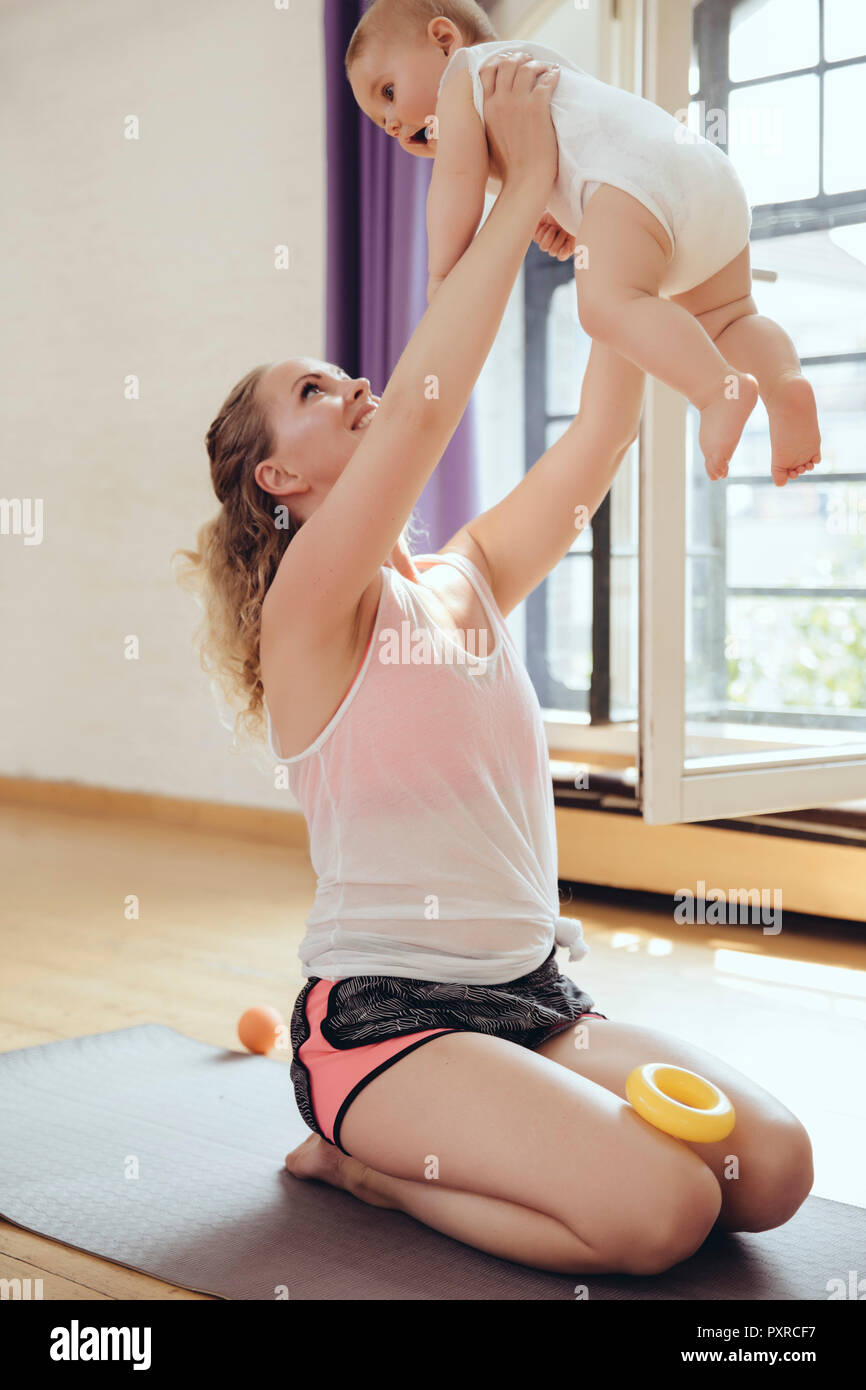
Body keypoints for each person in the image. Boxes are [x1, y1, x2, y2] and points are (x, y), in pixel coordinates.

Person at [177, 55, 812, 1276]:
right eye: (314, 391)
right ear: (278, 481)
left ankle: (506, 1115)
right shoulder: (308, 611)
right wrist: (514, 189)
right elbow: (419, 410)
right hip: (385, 1025)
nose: (352, 382)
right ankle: (370, 1167)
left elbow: (600, 431)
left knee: (766, 1168)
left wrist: (624, 236)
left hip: (536, 1000)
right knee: (660, 1210)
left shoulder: (465, 574)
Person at [346, 0, 822, 486]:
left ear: (445, 40)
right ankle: (785, 386)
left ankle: (716, 390)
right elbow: (580, 151)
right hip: (707, 178)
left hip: (639, 182)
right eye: (381, 122)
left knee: (606, 307)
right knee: (732, 317)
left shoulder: (463, 76)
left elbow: (456, 182)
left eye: (387, 92)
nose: (392, 124)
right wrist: (573, 217)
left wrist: (442, 274)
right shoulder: (530, 65)